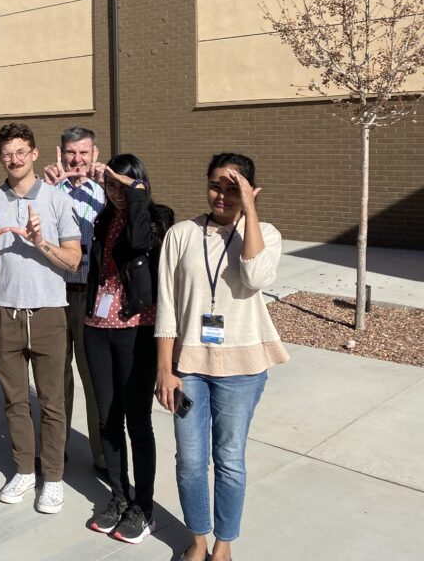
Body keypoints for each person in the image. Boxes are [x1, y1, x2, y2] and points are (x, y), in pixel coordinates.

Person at [156, 153, 287, 561]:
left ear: (249, 191)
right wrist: (165, 369)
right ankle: (197, 540)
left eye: (234, 188)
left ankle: (224, 544)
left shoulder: (265, 232)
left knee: (229, 458)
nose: (222, 195)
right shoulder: (181, 233)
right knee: (190, 461)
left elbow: (254, 277)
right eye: (217, 184)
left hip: (243, 369)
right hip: (189, 367)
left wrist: (249, 211)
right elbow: (167, 304)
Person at [0, 123, 81, 514]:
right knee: (14, 402)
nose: (14, 160)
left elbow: (73, 260)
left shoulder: (55, 200)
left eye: (21, 152)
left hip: (49, 312)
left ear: (34, 153)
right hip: (4, 313)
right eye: (6, 154)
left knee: (53, 403)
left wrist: (40, 242)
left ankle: (52, 478)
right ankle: (24, 471)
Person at [83, 154, 173, 543]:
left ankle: (144, 506)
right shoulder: (102, 217)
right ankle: (119, 497)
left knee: (137, 421)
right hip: (97, 327)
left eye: (125, 185)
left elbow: (139, 244)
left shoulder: (158, 215)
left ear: (140, 184)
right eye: (111, 186)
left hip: (136, 328)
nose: (116, 193)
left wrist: (136, 195)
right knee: (107, 418)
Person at [41, 127, 106, 476]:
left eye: (83, 153)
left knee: (94, 376)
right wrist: (45, 190)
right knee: (55, 376)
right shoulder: (47, 190)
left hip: (90, 294)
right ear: (60, 152)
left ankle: (101, 453)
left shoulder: (106, 192)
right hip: (53, 289)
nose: (76, 160)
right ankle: (56, 448)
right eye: (71, 153)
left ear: (95, 154)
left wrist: (109, 184)